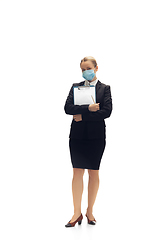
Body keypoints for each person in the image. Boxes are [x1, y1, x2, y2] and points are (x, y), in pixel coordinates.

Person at [64, 56, 112, 227]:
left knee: (93, 172)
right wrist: (88, 108)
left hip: (96, 137)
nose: (85, 72)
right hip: (77, 137)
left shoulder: (105, 89)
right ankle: (76, 213)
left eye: (88, 68)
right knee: (77, 172)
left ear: (96, 68)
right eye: (82, 69)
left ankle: (89, 211)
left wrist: (83, 115)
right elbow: (68, 108)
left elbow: (106, 112)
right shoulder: (75, 87)